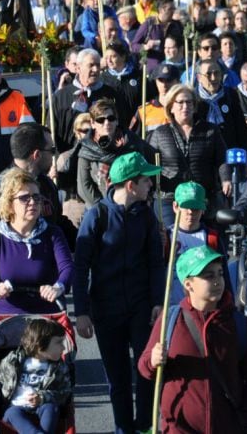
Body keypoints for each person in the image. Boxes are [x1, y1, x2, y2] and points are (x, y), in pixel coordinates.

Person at [73, 151, 165, 434]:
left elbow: (155, 263)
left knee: (146, 370)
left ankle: (145, 426)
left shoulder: (147, 216)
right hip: (107, 309)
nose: (151, 184)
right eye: (146, 180)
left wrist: (157, 302)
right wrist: (82, 312)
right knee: (118, 380)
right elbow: (80, 267)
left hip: (140, 307)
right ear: (130, 185)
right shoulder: (96, 215)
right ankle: (123, 429)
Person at [138, 245, 247, 433]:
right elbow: (144, 368)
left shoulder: (239, 324)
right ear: (188, 284)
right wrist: (153, 360)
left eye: (219, 274)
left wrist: (246, 416)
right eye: (208, 276)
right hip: (179, 428)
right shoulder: (170, 321)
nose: (217, 281)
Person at [0, 166, 72, 314]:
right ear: (9, 204)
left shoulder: (53, 233)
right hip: (4, 318)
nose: (32, 202)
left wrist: (58, 287)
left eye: (36, 197)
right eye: (24, 198)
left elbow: (67, 268)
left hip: (47, 316)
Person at [147, 84, 231, 227]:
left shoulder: (210, 130)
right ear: (171, 107)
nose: (185, 106)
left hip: (203, 197)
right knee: (171, 239)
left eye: (189, 102)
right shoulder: (160, 133)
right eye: (180, 102)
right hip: (170, 197)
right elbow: (150, 164)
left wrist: (226, 179)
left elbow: (222, 159)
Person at [0, 317, 73, 434]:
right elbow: (0, 382)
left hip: (42, 407)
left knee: (51, 408)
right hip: (16, 407)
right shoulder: (13, 361)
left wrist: (42, 397)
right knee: (12, 413)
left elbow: (64, 393)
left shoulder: (58, 367)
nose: (63, 348)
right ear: (40, 344)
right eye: (58, 343)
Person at [76, 98, 154, 207]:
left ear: (116, 121)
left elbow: (143, 179)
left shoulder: (132, 144)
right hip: (99, 209)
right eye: (100, 120)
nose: (106, 123)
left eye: (111, 118)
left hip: (132, 207)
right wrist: (104, 208)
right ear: (93, 124)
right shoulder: (87, 149)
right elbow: (84, 187)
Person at [52, 48, 132, 152]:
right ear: (78, 68)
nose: (95, 69)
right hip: (70, 157)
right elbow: (53, 130)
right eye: (91, 65)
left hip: (104, 157)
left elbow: (122, 127)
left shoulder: (111, 95)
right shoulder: (61, 96)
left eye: (98, 65)